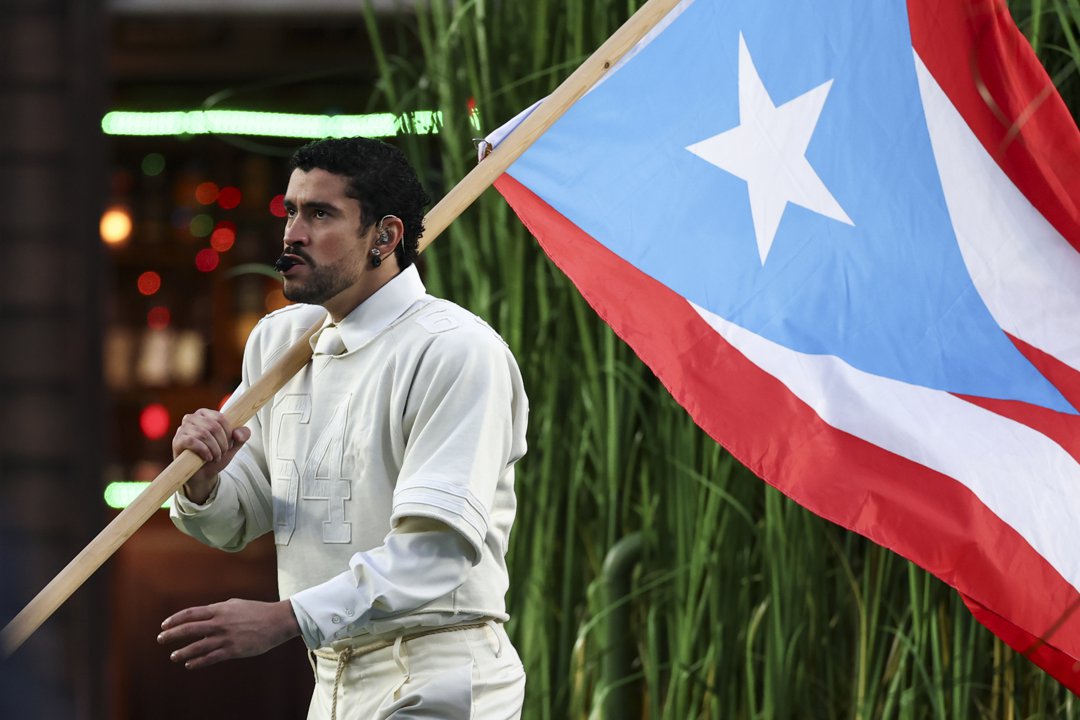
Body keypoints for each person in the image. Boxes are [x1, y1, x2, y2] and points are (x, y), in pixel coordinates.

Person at [158, 137, 529, 719]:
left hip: (439, 674)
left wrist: (285, 618)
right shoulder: (278, 341)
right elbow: (239, 518)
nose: (292, 234)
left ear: (385, 236)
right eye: (290, 211)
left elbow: (434, 552)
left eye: (320, 214)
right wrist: (203, 480)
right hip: (331, 677)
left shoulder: (455, 350)